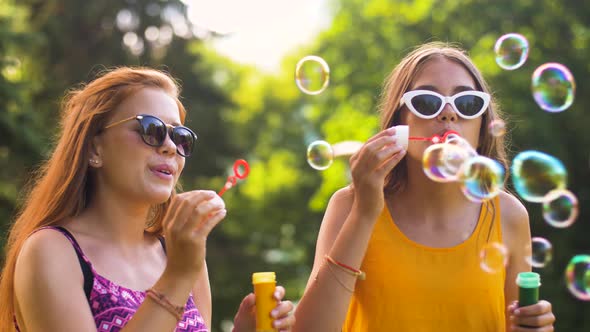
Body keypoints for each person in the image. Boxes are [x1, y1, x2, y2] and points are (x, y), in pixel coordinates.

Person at [0, 67, 295, 332]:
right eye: (151, 129)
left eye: (181, 137)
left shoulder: (177, 253)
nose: (170, 147)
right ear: (93, 149)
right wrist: (178, 276)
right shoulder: (52, 251)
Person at [293, 42, 556, 332]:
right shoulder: (351, 206)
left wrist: (535, 327)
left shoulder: (508, 215)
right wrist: (365, 212)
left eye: (467, 103)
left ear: (483, 127)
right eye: (427, 102)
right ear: (399, 121)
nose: (448, 115)